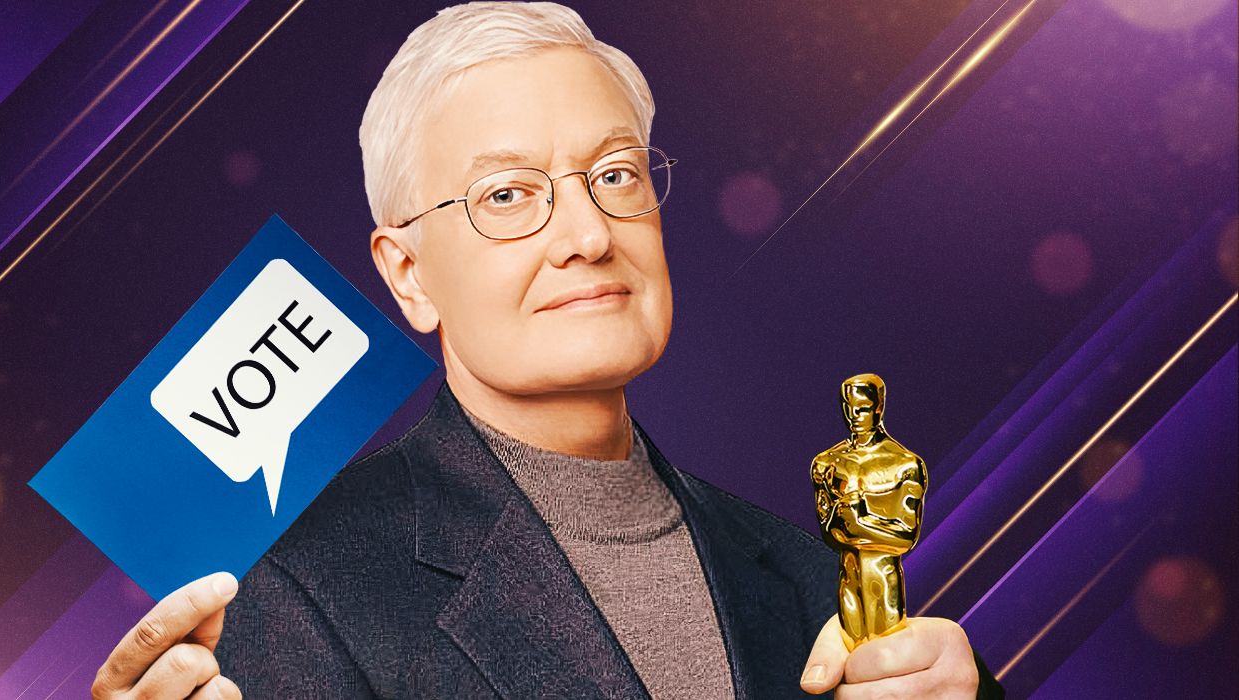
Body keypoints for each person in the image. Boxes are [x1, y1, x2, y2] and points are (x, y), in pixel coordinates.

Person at [90, 3, 1004, 698]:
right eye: (507, 195)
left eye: (614, 176)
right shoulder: (294, 587)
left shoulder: (804, 571)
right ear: (408, 274)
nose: (586, 233)